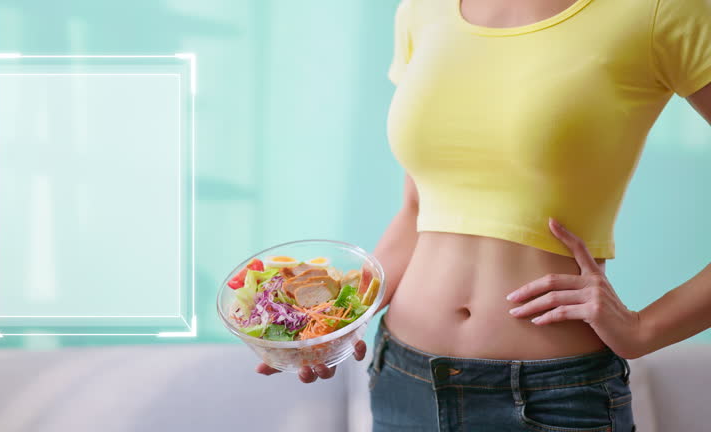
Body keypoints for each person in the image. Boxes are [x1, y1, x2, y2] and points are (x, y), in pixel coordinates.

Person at [257, 0, 711, 430]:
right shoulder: (423, 10)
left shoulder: (659, 11)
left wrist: (642, 330)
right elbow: (416, 212)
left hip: (554, 395)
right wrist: (334, 324)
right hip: (404, 380)